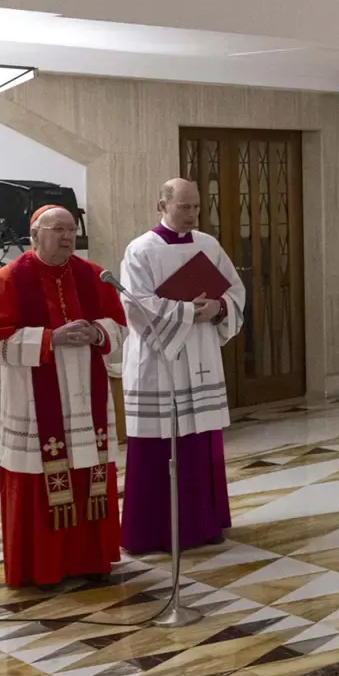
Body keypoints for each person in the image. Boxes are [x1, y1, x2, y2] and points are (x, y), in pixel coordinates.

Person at [0, 205, 126, 589]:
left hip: (86, 398)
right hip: (34, 402)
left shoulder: (94, 275)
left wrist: (98, 333)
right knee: (39, 481)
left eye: (71, 229)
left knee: (90, 471)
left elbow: (120, 326)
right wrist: (50, 338)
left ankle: (92, 559)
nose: (67, 236)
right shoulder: (7, 280)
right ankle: (42, 568)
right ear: (34, 235)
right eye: (58, 229)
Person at [120, 178, 245, 553]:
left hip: (201, 352)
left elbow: (235, 290)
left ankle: (204, 525)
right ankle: (151, 532)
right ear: (163, 206)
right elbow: (135, 305)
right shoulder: (140, 250)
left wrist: (219, 307)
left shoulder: (209, 245)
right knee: (158, 447)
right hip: (160, 361)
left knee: (200, 444)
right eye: (184, 207)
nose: (192, 214)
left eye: (196, 207)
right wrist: (191, 311)